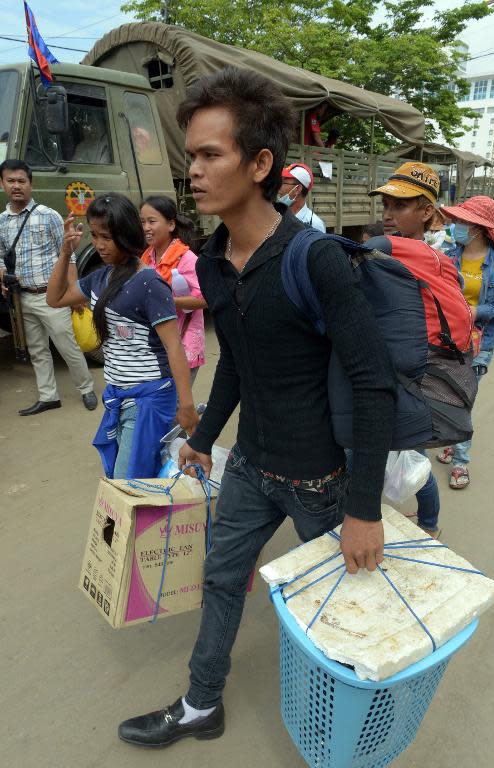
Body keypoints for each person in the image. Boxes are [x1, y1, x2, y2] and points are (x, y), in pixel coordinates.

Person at [117, 66, 396, 749]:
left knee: (343, 608)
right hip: (250, 467)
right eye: (193, 156)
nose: (195, 172)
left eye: (212, 154)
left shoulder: (317, 259)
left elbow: (374, 384)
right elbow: (236, 359)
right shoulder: (212, 262)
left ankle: (361, 721)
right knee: (220, 578)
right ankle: (200, 705)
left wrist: (362, 509)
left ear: (261, 162)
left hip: (321, 482)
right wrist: (206, 435)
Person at [46, 192, 199, 480]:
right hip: (118, 395)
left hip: (149, 400)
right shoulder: (99, 278)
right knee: (134, 480)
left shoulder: (149, 283)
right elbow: (55, 298)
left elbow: (174, 347)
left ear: (126, 234)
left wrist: (187, 407)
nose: (99, 245)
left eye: (107, 237)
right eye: (95, 235)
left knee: (126, 483)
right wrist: (66, 252)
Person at [369, 161, 445, 537]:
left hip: (409, 375)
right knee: (403, 453)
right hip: (394, 369)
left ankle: (428, 523)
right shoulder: (416, 253)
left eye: (399, 206)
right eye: (385, 205)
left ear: (426, 211)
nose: (388, 214)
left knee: (412, 457)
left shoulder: (410, 255)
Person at [0, 159, 97, 415]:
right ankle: (48, 396)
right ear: (2, 184)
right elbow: (0, 256)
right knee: (38, 350)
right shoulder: (1, 222)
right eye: (11, 181)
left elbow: (68, 255)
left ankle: (86, 389)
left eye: (22, 181)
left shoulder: (49, 215)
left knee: (67, 346)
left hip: (51, 297)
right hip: (23, 298)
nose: (17, 186)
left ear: (31, 185)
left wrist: (74, 291)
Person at [436, 195, 494, 489]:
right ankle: (450, 441)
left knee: (464, 400)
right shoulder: (448, 254)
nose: (455, 225)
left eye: (461, 221)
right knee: (445, 395)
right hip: (448, 341)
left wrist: (478, 311)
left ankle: (460, 462)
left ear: (478, 228)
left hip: (479, 345)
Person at [139, 196, 206, 386]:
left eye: (152, 221)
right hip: (159, 344)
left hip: (185, 342)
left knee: (176, 405)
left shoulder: (186, 258)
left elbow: (206, 298)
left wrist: (167, 301)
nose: (146, 228)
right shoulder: (147, 257)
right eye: (143, 221)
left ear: (170, 225)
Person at [277, 163, 326, 232]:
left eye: (283, 183)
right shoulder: (278, 217)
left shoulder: (315, 225)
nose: (278, 187)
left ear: (297, 189)